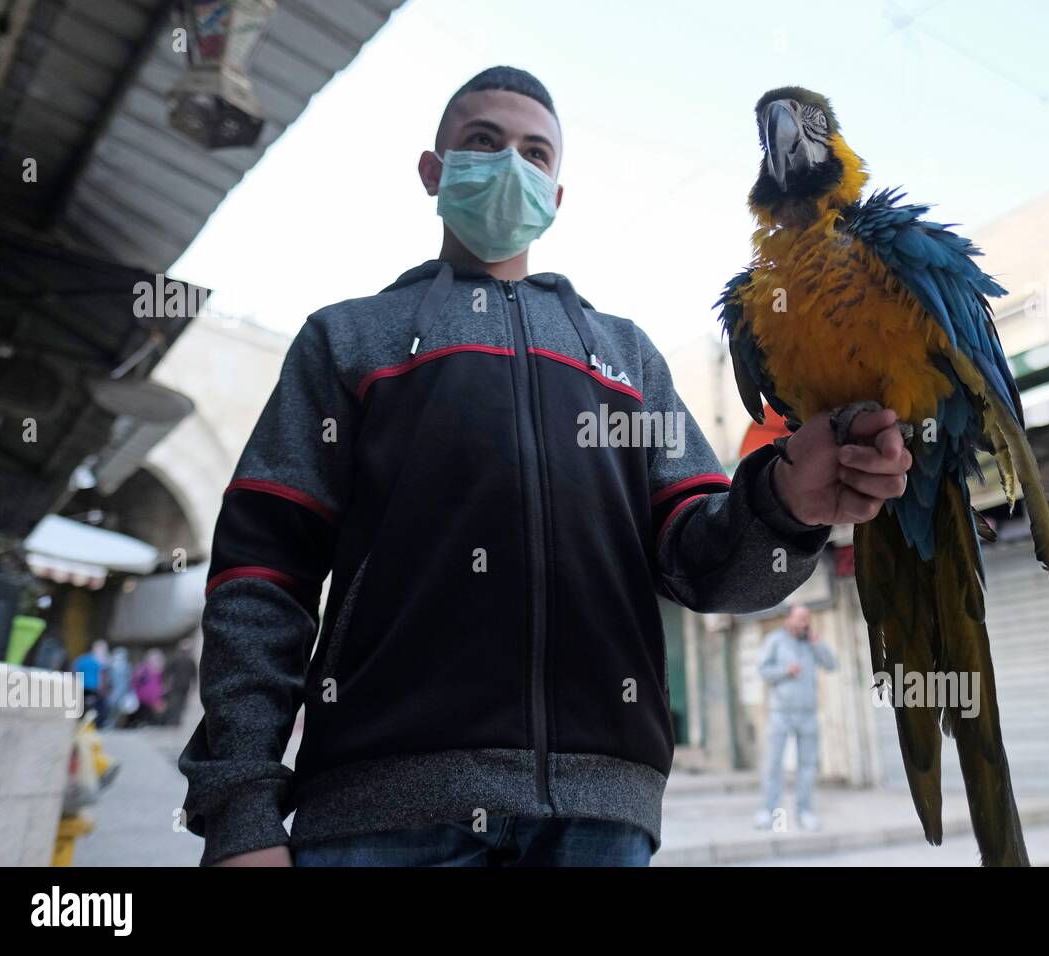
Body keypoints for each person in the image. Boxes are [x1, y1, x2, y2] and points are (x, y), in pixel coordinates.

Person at [179, 66, 911, 867]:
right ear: (434, 171)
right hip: (380, 821)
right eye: (483, 143)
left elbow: (708, 569)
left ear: (557, 195)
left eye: (535, 153)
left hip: (602, 825)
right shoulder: (349, 341)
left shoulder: (627, 358)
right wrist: (239, 814)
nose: (510, 167)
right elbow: (260, 578)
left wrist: (782, 504)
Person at [755, 605, 838, 832]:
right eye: (800, 619)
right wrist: (785, 671)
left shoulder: (811, 644)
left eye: (807, 619)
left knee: (808, 766)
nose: (804, 623)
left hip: (808, 713)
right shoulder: (775, 641)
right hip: (780, 713)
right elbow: (762, 670)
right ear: (789, 620)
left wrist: (817, 643)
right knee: (773, 763)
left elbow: (832, 665)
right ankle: (767, 812)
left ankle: (805, 812)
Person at [72, 639, 110, 727]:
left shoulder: (82, 659)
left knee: (84, 707)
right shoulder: (100, 661)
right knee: (96, 707)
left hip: (83, 687)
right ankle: (94, 724)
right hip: (93, 688)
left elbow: (75, 671)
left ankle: (82, 723)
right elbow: (103, 676)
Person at [162, 638, 198, 726]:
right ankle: (175, 721)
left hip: (181, 685)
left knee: (179, 703)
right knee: (178, 703)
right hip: (180, 685)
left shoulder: (185, 660)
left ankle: (176, 721)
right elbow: (168, 671)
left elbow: (194, 675)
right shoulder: (183, 660)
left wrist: (194, 685)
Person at [130, 649, 166, 726]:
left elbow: (159, 682)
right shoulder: (143, 668)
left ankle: (151, 722)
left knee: (154, 709)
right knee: (145, 710)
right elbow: (136, 680)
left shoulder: (159, 669)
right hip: (144, 694)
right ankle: (144, 722)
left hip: (154, 694)